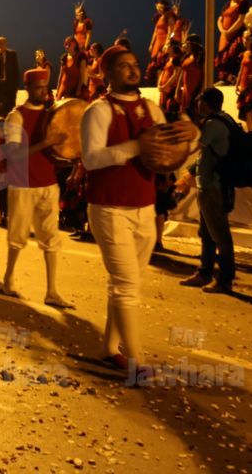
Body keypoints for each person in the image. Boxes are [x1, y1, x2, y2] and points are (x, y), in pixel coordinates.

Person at [80, 45, 196, 375]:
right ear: (107, 73)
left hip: (144, 207)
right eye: (124, 66)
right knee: (126, 284)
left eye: (135, 64)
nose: (133, 70)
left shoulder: (151, 108)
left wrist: (193, 135)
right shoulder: (98, 111)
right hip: (109, 208)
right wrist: (135, 147)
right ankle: (136, 363)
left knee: (126, 284)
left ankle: (109, 348)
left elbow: (170, 154)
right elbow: (91, 159)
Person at [0, 69, 73, 307]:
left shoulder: (52, 115)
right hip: (22, 185)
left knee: (51, 239)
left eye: (46, 87)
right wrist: (46, 143)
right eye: (39, 87)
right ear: (28, 88)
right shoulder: (16, 116)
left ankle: (52, 291)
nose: (44, 91)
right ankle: (8, 280)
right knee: (17, 236)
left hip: (48, 184)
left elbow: (55, 151)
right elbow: (13, 155)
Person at [176, 88, 236, 294]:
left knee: (219, 234)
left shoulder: (212, 124)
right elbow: (205, 154)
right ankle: (204, 273)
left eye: (199, 101)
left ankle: (225, 279)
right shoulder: (224, 119)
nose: (197, 104)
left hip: (213, 187)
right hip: (211, 185)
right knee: (208, 233)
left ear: (206, 103)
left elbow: (192, 147)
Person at [215, 0, 250, 85]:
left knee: (232, 55)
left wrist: (230, 31)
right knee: (222, 58)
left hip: (235, 34)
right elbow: (219, 19)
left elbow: (241, 20)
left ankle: (235, 79)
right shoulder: (227, 5)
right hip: (224, 35)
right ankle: (225, 78)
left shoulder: (242, 4)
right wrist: (223, 30)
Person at [146, 0, 175, 85]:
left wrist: (167, 43)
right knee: (156, 63)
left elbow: (171, 30)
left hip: (164, 40)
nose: (158, 9)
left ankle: (163, 82)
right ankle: (157, 83)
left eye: (160, 7)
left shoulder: (169, 16)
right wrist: (151, 44)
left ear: (164, 7)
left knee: (162, 62)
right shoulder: (159, 17)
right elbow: (155, 31)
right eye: (157, 8)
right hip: (157, 42)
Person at [177, 35, 204, 118]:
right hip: (186, 88)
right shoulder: (187, 56)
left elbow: (204, 74)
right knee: (184, 112)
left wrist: (201, 91)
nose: (185, 45)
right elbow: (182, 73)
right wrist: (177, 90)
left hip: (195, 88)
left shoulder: (200, 57)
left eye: (187, 43)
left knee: (193, 111)